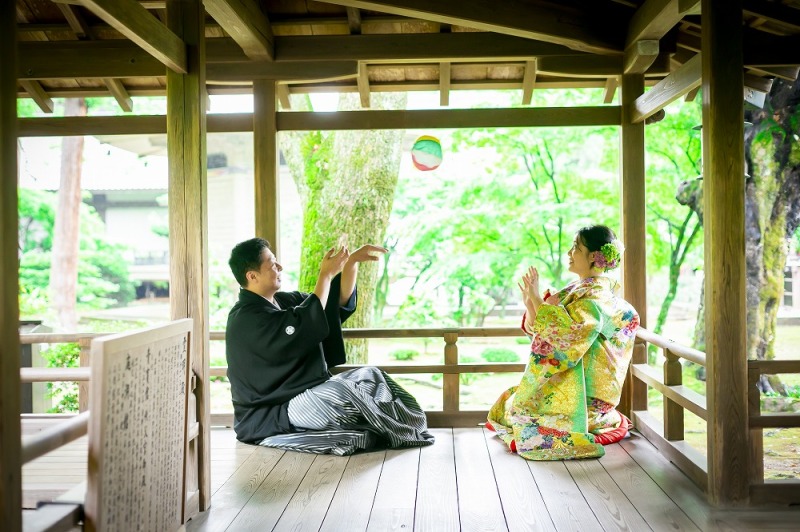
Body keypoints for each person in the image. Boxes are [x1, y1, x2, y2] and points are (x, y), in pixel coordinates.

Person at [225, 237, 434, 455]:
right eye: (272, 263)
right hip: (272, 413)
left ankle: (410, 425)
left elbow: (328, 305)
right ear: (252, 276)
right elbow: (307, 321)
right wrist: (325, 274)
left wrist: (351, 264)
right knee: (342, 391)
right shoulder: (245, 318)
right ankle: (393, 431)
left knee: (371, 375)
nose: (279, 267)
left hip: (304, 395)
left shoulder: (284, 301)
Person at [486, 225, 640, 460]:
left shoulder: (595, 299)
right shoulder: (579, 292)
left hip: (588, 397)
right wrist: (530, 301)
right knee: (512, 404)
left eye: (576, 248)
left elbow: (563, 341)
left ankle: (584, 419)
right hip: (576, 383)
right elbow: (546, 333)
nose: (570, 252)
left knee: (524, 415)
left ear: (593, 257)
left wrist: (537, 299)